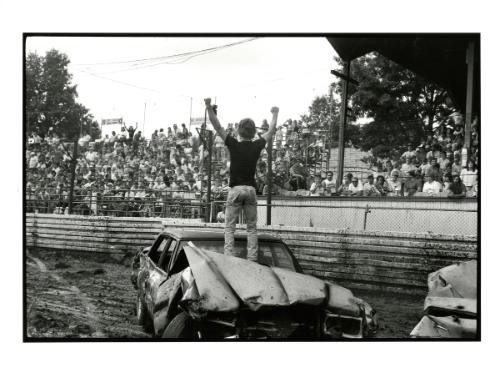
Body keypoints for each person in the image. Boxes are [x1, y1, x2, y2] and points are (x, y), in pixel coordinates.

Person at [205, 97, 279, 262]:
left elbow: (217, 126)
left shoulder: (233, 144)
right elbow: (272, 130)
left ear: (238, 131)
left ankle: (229, 259)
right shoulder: (257, 145)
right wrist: (275, 113)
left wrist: (209, 107)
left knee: (229, 227)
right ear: (253, 132)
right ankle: (252, 259)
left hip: (236, 189)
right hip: (251, 190)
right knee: (252, 228)